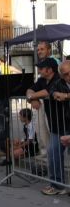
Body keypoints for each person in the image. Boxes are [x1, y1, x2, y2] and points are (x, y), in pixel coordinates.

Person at [26, 58, 66, 195]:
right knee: (53, 153)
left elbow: (49, 92)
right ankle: (57, 185)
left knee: (54, 153)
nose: (39, 70)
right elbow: (30, 89)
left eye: (42, 68)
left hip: (65, 122)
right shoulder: (43, 80)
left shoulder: (58, 80)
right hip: (57, 124)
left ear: (49, 69)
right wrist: (32, 97)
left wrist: (32, 97)